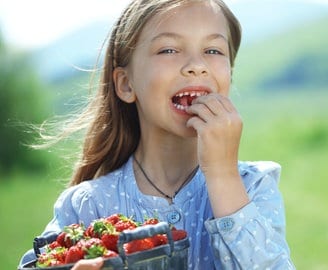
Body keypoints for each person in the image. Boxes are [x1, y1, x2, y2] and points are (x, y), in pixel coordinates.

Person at [19, 0, 295, 269]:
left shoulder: (253, 187)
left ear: (229, 77)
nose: (197, 65)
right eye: (169, 49)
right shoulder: (87, 205)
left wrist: (222, 173)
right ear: (126, 84)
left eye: (213, 50)